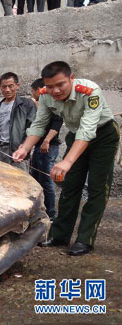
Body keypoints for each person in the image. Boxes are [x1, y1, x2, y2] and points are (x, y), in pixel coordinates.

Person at [13, 62, 119, 256]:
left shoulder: (89, 91)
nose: (55, 90)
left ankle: (85, 239)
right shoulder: (45, 95)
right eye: (50, 86)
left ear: (72, 78)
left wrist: (67, 161)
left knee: (97, 187)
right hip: (75, 134)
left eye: (60, 84)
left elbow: (88, 130)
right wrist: (25, 147)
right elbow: (39, 124)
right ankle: (59, 236)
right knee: (70, 187)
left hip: (103, 135)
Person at [0, 72, 37, 169]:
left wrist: (24, 147)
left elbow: (32, 128)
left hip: (17, 150)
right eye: (4, 87)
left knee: (19, 180)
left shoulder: (26, 104)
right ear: (0, 87)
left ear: (17, 86)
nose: (7, 90)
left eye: (11, 86)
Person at [29, 78, 63, 220]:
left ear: (39, 90)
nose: (32, 94)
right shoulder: (41, 105)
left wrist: (47, 141)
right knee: (35, 178)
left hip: (48, 146)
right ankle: (39, 209)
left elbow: (57, 123)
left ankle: (51, 213)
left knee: (46, 180)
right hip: (39, 146)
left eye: (32, 91)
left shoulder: (53, 104)